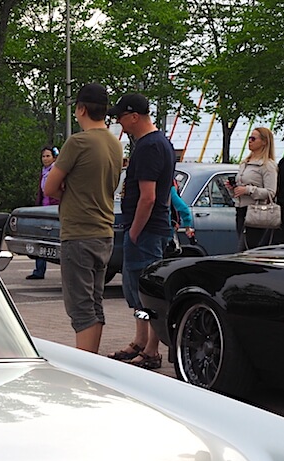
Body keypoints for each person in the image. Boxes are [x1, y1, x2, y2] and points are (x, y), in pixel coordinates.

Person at [42, 82, 122, 352]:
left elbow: (49, 187)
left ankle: (85, 368)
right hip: (104, 231)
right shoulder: (114, 143)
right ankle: (94, 361)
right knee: (95, 302)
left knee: (80, 307)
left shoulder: (77, 142)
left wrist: (67, 188)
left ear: (81, 109)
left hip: (78, 233)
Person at [107, 92, 175, 370]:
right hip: (149, 228)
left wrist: (134, 230)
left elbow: (148, 196)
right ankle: (139, 340)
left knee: (146, 292)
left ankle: (151, 350)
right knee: (136, 291)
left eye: (121, 118)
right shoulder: (159, 143)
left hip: (146, 230)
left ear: (135, 116)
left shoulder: (149, 147)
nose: (120, 125)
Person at [233, 126, 279, 249]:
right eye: (249, 138)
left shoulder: (267, 165)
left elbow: (271, 192)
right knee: (243, 248)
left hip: (256, 212)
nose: (250, 141)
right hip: (241, 210)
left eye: (253, 138)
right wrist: (234, 189)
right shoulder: (245, 163)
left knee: (245, 249)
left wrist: (249, 190)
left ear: (264, 142)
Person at [27, 145, 59, 280]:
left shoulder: (56, 171)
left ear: (54, 157)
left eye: (48, 156)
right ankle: (39, 270)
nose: (45, 159)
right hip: (43, 207)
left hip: (54, 208)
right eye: (43, 156)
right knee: (41, 239)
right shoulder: (44, 172)